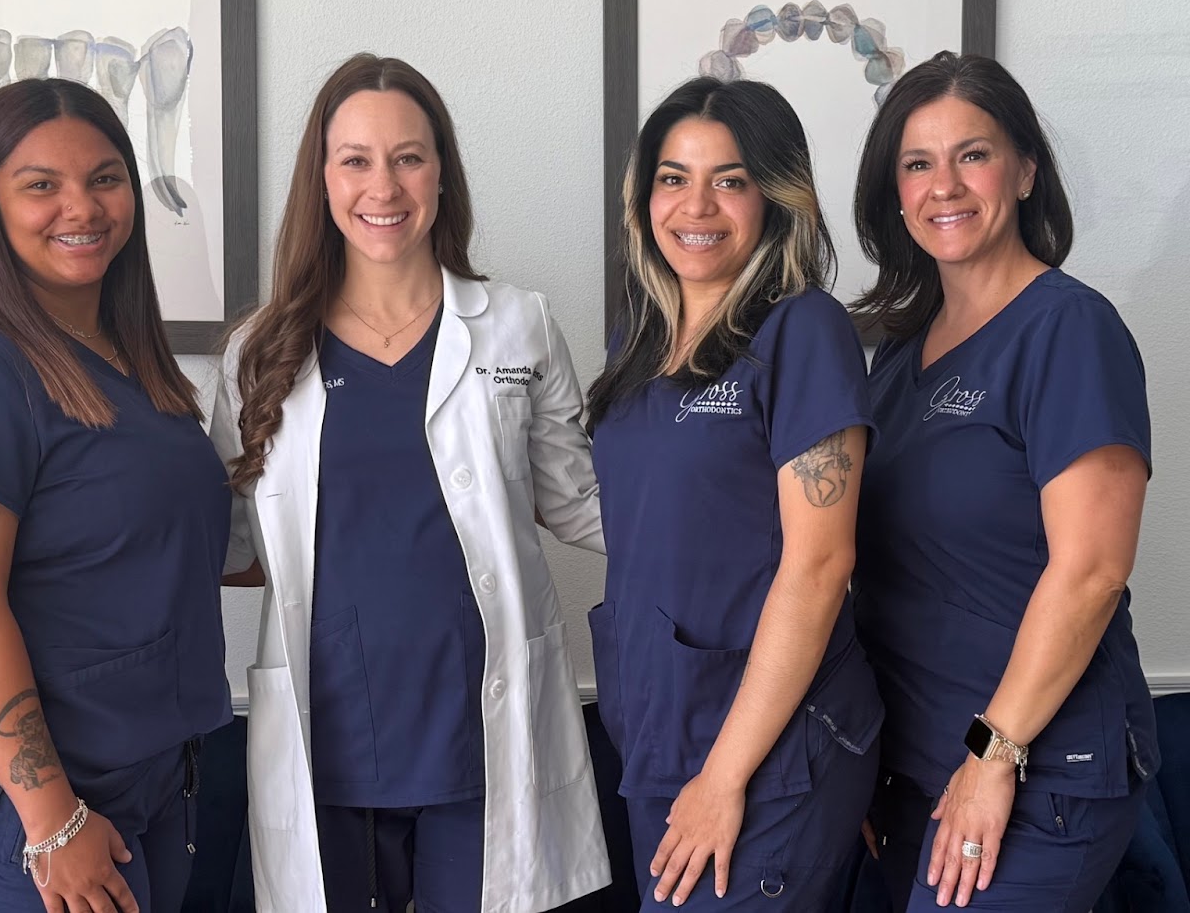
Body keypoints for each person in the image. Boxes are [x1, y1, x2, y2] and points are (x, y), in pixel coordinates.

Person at [209, 53, 609, 912]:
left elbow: (582, 502)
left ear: (441, 173)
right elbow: (232, 544)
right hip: (337, 738)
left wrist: (745, 529)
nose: (382, 186)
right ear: (321, 178)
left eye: (408, 157)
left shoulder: (515, 326)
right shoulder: (260, 352)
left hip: (483, 733)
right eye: (354, 159)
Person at [0, 78, 231, 913]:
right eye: (40, 184)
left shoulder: (132, 363)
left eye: (106, 177)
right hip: (23, 811)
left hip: (149, 776)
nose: (81, 205)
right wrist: (51, 820)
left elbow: (157, 549)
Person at [850, 51, 1155, 912]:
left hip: (1036, 773)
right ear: (895, 192)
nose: (943, 185)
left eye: (972, 154)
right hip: (916, 770)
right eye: (918, 163)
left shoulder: (1068, 331)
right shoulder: (895, 361)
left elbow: (1092, 571)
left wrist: (994, 757)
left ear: (1024, 170)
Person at [585, 76, 885, 910]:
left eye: (730, 179)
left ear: (775, 198)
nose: (697, 206)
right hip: (659, 727)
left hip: (762, 747)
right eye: (673, 178)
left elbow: (821, 565)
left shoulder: (804, 331)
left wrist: (724, 777)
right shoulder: (638, 339)